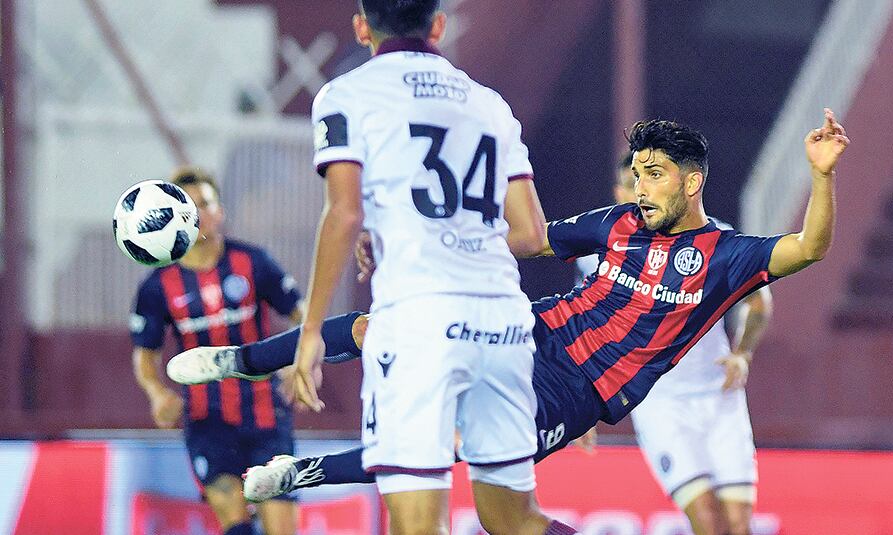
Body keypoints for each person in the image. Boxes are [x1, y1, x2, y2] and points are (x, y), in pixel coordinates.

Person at [169, 110, 848, 524]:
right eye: (637, 173)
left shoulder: (725, 257)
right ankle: (240, 361)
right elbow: (525, 238)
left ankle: (304, 473)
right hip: (530, 331)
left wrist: (820, 175)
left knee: (469, 465)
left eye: (655, 175)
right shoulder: (615, 223)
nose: (640, 188)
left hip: (579, 391)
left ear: (692, 181)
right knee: (393, 322)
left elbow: (810, 248)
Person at [275, 1, 572, 533]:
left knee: (416, 525)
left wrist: (312, 331)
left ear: (361, 26)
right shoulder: (490, 104)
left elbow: (344, 212)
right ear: (438, 25)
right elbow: (530, 235)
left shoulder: (346, 94)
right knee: (515, 519)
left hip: (418, 323)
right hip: (503, 320)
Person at [577, 155, 774, 535]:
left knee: (738, 525)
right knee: (707, 521)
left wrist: (743, 353)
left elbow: (758, 301)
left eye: (650, 181)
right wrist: (584, 404)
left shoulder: (715, 239)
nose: (641, 193)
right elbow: (591, 330)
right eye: (632, 185)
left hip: (719, 395)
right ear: (619, 193)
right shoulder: (598, 254)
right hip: (660, 403)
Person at [131, 168, 302, 535]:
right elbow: (146, 354)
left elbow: (300, 312)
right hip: (207, 420)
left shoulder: (253, 262)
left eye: (205, 203)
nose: (198, 213)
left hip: (266, 414)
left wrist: (299, 361)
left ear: (220, 211)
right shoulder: (158, 285)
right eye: (188, 206)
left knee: (280, 525)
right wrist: (157, 392)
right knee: (233, 516)